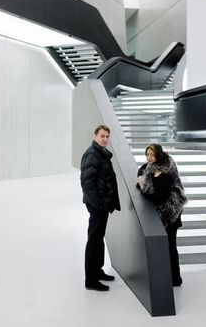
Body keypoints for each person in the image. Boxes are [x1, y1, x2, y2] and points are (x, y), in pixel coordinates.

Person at [137, 143, 187, 286]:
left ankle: (175, 279)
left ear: (158, 155)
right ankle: (166, 276)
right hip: (160, 212)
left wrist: (143, 183)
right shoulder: (149, 168)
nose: (149, 157)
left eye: (152, 155)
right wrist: (143, 180)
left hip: (171, 212)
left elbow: (161, 195)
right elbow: (141, 173)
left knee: (170, 245)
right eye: (147, 154)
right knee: (165, 246)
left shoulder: (166, 170)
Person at [80, 124, 121, 291]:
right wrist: (99, 204)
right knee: (94, 240)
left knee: (98, 239)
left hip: (102, 205)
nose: (105, 139)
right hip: (97, 205)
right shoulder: (91, 155)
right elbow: (87, 184)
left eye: (107, 137)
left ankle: (98, 271)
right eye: (102, 136)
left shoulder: (101, 153)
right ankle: (91, 280)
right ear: (95, 136)